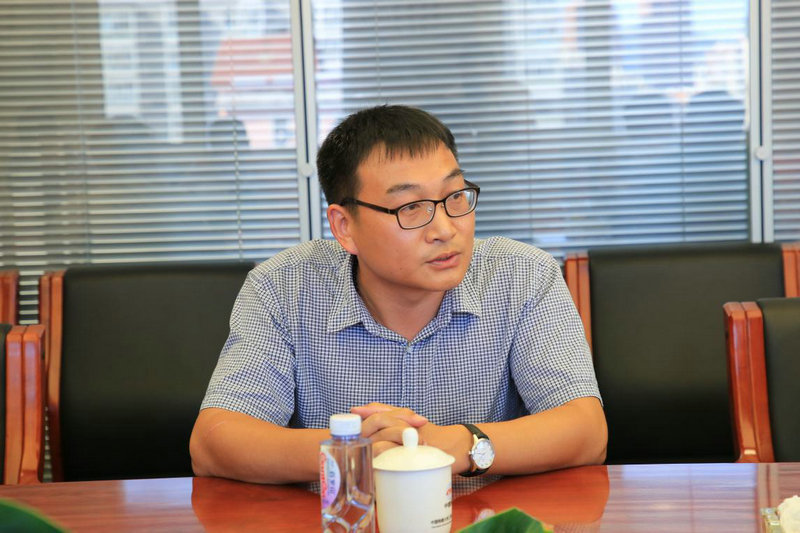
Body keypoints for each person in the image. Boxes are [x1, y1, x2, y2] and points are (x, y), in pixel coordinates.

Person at [190, 105, 607, 484]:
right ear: (344, 227)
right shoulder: (283, 287)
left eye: (454, 196)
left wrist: (453, 446)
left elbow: (587, 432)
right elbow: (213, 443)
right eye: (410, 208)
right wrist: (354, 453)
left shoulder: (522, 275)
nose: (445, 229)